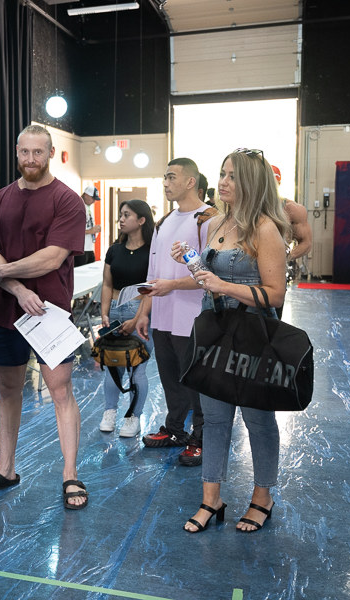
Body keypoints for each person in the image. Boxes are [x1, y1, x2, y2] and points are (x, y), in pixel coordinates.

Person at [0, 124, 88, 509]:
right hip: (6, 309)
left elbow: (53, 257)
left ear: (50, 153)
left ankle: (70, 474)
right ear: (16, 152)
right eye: (25, 152)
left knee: (60, 391)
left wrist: (3, 273)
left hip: (50, 311)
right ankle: (6, 468)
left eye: (38, 152)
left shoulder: (67, 200)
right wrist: (18, 289)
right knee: (8, 390)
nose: (31, 159)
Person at [173, 148, 289, 533]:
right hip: (215, 332)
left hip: (253, 336)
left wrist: (224, 286)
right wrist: (187, 265)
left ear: (252, 183)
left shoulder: (265, 229)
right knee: (215, 418)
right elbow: (208, 277)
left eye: (233, 176)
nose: (223, 182)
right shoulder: (216, 223)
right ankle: (211, 499)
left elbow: (275, 294)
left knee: (258, 420)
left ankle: (262, 497)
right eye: (222, 173)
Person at [139, 158, 216, 467]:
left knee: (197, 382)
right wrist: (144, 313)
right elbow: (153, 272)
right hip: (162, 317)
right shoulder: (163, 221)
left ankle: (201, 437)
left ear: (190, 182)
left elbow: (210, 274)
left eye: (171, 177)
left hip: (193, 316)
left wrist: (172, 285)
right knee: (170, 379)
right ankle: (174, 430)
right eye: (165, 177)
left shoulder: (209, 219)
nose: (166, 183)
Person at [97, 199, 154, 437]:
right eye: (121, 214)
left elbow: (151, 288)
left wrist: (139, 317)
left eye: (126, 215)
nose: (121, 219)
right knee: (113, 365)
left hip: (139, 312)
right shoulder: (114, 250)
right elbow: (107, 284)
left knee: (137, 369)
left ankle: (133, 417)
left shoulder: (152, 252)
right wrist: (104, 313)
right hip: (115, 312)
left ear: (141, 220)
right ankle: (109, 412)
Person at [75, 185, 101, 267]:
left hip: (89, 247)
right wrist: (91, 231)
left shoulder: (88, 207)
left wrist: (96, 230)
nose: (94, 201)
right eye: (93, 198)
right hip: (80, 249)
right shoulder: (77, 207)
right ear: (86, 195)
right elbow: (73, 230)